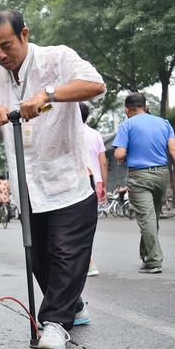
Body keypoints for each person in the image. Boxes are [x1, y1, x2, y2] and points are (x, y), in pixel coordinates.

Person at [0, 10, 106, 349]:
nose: (1, 55)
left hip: (67, 179)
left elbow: (95, 85)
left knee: (66, 253)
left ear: (24, 34)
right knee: (40, 260)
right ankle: (72, 305)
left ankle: (55, 324)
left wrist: (48, 94)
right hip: (28, 186)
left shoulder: (58, 58)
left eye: (6, 46)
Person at [112, 92, 175, 274]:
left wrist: (126, 153)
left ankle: (154, 261)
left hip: (139, 177)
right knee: (151, 217)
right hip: (161, 175)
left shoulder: (127, 124)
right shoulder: (163, 123)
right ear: (146, 106)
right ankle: (146, 255)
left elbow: (119, 154)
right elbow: (173, 149)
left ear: (127, 110)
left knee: (147, 218)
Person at [79, 102, 107, 276]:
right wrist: (103, 184)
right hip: (95, 181)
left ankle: (87, 262)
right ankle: (86, 261)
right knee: (88, 224)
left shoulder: (72, 133)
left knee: (77, 225)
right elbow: (103, 161)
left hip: (78, 182)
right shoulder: (95, 134)